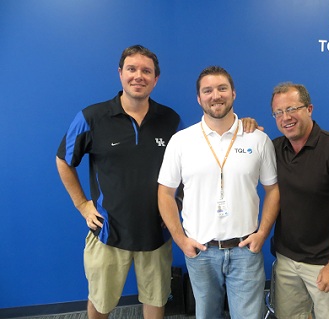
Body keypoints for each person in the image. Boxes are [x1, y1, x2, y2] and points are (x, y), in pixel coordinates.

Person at [56, 45, 259, 319]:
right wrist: (82, 204)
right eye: (132, 69)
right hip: (108, 232)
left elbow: (193, 164)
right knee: (101, 302)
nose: (138, 76)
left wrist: (244, 125)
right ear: (120, 73)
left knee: (156, 300)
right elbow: (63, 160)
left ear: (155, 78)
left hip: (156, 234)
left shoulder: (170, 120)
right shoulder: (92, 117)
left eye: (146, 71)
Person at [157, 66, 280, 319]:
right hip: (201, 251)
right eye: (208, 90)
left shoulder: (257, 139)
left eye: (222, 88)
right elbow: (165, 194)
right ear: (199, 98)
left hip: (246, 249)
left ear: (233, 93)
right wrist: (181, 240)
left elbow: (273, 189)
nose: (216, 95)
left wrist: (263, 233)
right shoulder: (181, 141)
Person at [270, 82, 329, 319]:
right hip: (286, 260)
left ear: (309, 109)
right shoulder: (274, 148)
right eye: (278, 112)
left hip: (324, 262)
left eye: (292, 109)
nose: (286, 117)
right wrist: (246, 125)